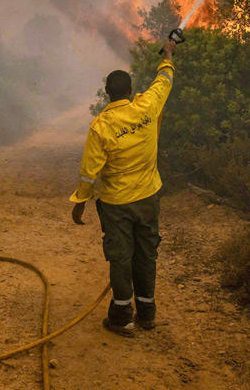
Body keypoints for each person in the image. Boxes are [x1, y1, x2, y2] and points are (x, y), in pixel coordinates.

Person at [70, 38, 177, 336]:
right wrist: (168, 55)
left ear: (107, 94)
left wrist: (80, 204)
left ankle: (121, 317)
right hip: (148, 199)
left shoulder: (101, 126)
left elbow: (89, 173)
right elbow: (164, 80)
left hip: (117, 204)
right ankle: (147, 314)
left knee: (120, 257)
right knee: (146, 254)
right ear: (129, 91)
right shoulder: (148, 105)